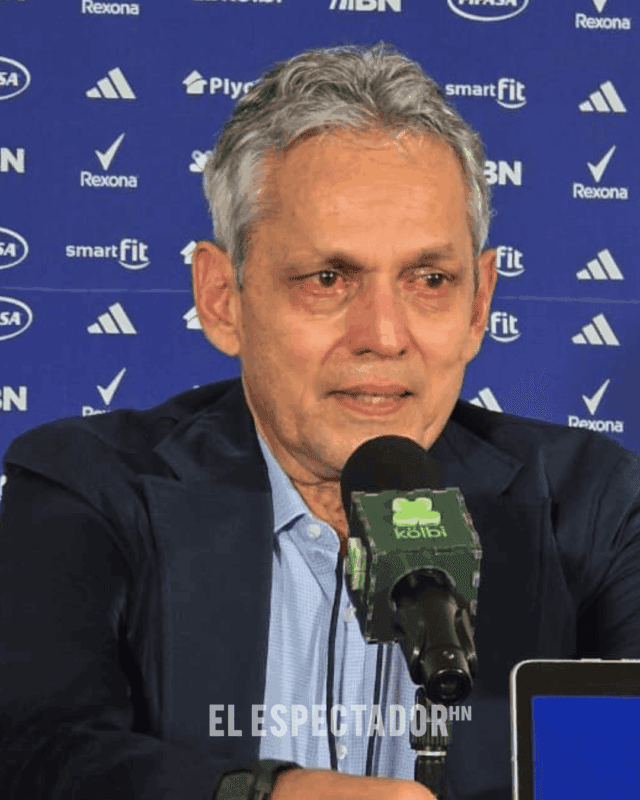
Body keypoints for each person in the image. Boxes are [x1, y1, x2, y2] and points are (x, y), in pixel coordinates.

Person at [1, 42, 639, 800]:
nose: (383, 333)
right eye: (329, 278)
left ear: (479, 305)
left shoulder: (590, 504)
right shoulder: (89, 486)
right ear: (221, 297)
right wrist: (268, 795)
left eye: (430, 279)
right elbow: (35, 754)